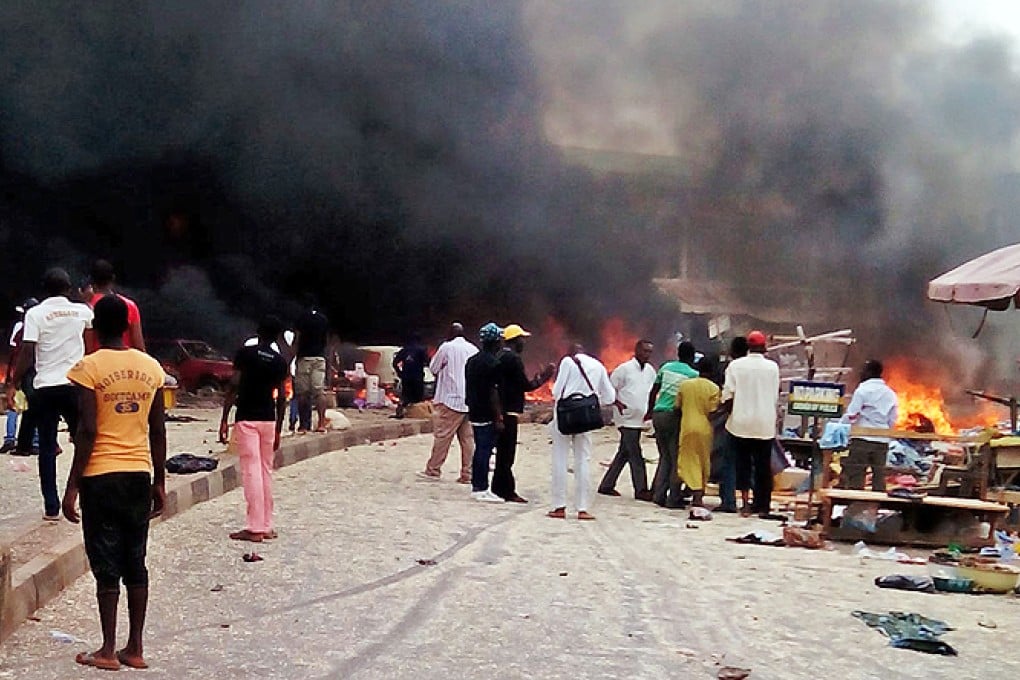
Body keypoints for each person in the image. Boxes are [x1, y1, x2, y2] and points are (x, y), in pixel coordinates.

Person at [60, 294, 167, 671]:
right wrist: (160, 480)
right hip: (138, 474)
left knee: (106, 562)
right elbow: (157, 428)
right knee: (135, 560)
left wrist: (72, 486)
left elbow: (87, 430)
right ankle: (134, 647)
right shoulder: (151, 368)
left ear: (94, 328)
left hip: (100, 477)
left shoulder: (87, 368)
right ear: (125, 326)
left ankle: (107, 650)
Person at [8, 268, 93, 520]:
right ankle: (85, 496)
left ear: (45, 290)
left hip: (45, 388)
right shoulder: (84, 311)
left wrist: (13, 381)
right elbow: (89, 347)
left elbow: (28, 351)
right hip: (75, 385)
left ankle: (52, 506)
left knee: (47, 447)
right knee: (83, 443)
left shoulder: (35, 314)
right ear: (69, 289)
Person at [219, 316, 289, 542]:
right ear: (278, 336)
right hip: (268, 419)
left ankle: (255, 527)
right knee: (265, 471)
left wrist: (224, 418)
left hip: (247, 418)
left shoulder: (245, 355)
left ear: (257, 332)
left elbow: (234, 386)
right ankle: (267, 524)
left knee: (251, 471)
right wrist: (279, 427)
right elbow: (282, 398)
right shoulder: (279, 362)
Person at [548, 344, 616, 520]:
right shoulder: (598, 365)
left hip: (564, 417)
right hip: (586, 417)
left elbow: (556, 392)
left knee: (560, 459)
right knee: (583, 461)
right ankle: (582, 508)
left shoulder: (567, 362)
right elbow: (610, 397)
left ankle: (559, 507)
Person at [721, 330, 780, 518]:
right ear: (764, 347)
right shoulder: (773, 367)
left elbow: (728, 395)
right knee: (763, 467)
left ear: (748, 346)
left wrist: (730, 413)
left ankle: (745, 504)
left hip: (740, 423)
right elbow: (775, 396)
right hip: (764, 424)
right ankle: (763, 505)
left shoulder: (735, 366)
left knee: (742, 465)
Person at [494, 323, 554, 503]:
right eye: (522, 340)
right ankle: (507, 491)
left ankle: (497, 488)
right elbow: (526, 386)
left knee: (501, 453)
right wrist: (545, 376)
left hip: (500, 409)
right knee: (507, 455)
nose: (524, 343)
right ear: (515, 340)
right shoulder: (513, 359)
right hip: (509, 411)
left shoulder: (499, 355)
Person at [598, 339, 656, 500]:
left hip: (640, 419)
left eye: (650, 352)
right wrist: (617, 403)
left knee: (624, 452)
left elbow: (651, 392)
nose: (647, 355)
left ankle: (606, 485)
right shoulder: (624, 369)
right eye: (645, 351)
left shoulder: (650, 371)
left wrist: (650, 411)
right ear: (637, 351)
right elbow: (609, 389)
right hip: (626, 418)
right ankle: (641, 490)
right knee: (635, 453)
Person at [419, 323, 478, 482]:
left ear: (450, 333)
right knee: (468, 439)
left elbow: (433, 368)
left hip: (450, 400)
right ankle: (468, 474)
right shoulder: (473, 349)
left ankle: (433, 469)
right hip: (469, 400)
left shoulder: (446, 347)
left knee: (443, 436)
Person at [646, 341, 699, 508]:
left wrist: (650, 411)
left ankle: (659, 495)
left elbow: (654, 390)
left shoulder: (665, 367)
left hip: (658, 414)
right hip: (674, 416)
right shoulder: (693, 374)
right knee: (677, 458)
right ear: (691, 356)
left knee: (664, 456)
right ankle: (673, 498)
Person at [841, 359, 898, 492]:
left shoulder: (862, 391)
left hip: (862, 439)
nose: (861, 373)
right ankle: (878, 505)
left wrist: (840, 427)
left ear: (870, 372)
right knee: (879, 475)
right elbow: (892, 418)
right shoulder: (890, 393)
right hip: (882, 440)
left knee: (856, 473)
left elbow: (852, 415)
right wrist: (886, 433)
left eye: (863, 371)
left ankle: (855, 505)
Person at [464, 323, 505, 502]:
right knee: (484, 449)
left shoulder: (472, 361)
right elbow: (493, 392)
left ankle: (477, 485)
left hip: (474, 409)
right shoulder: (494, 363)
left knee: (480, 448)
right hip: (487, 412)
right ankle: (481, 488)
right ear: (495, 341)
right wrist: (498, 417)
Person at [677, 356, 722, 510]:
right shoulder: (714, 388)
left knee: (688, 461)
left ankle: (691, 491)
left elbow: (678, 406)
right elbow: (713, 410)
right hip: (705, 428)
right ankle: (699, 495)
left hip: (687, 426)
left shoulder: (685, 385)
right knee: (703, 462)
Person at [710, 336, 748, 513]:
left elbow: (728, 396)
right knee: (752, 463)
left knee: (728, 461)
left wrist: (720, 410)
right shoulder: (767, 368)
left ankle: (729, 501)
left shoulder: (732, 368)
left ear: (732, 351)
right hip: (759, 424)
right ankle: (752, 503)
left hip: (734, 421)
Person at [86, 260, 145, 352]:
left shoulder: (86, 309)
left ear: (91, 280)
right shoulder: (130, 305)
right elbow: (139, 347)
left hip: (96, 363)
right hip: (126, 364)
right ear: (113, 278)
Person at [3, 298, 37, 453]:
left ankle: (10, 438)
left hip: (19, 370)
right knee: (35, 405)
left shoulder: (19, 326)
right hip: (34, 371)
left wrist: (11, 377)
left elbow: (13, 351)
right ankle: (35, 441)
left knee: (14, 407)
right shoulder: (39, 325)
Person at [294, 298, 330, 433]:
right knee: (319, 392)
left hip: (304, 358)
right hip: (319, 358)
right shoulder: (323, 320)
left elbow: (297, 341)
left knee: (303, 393)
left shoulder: (301, 319)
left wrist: (290, 359)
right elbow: (327, 341)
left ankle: (303, 425)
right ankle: (321, 424)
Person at [393, 333, 429, 419]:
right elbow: (428, 362)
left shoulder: (404, 350)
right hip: (417, 378)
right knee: (418, 398)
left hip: (406, 377)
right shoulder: (421, 350)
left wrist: (400, 373)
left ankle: (400, 413)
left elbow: (395, 363)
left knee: (405, 396)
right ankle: (418, 414)